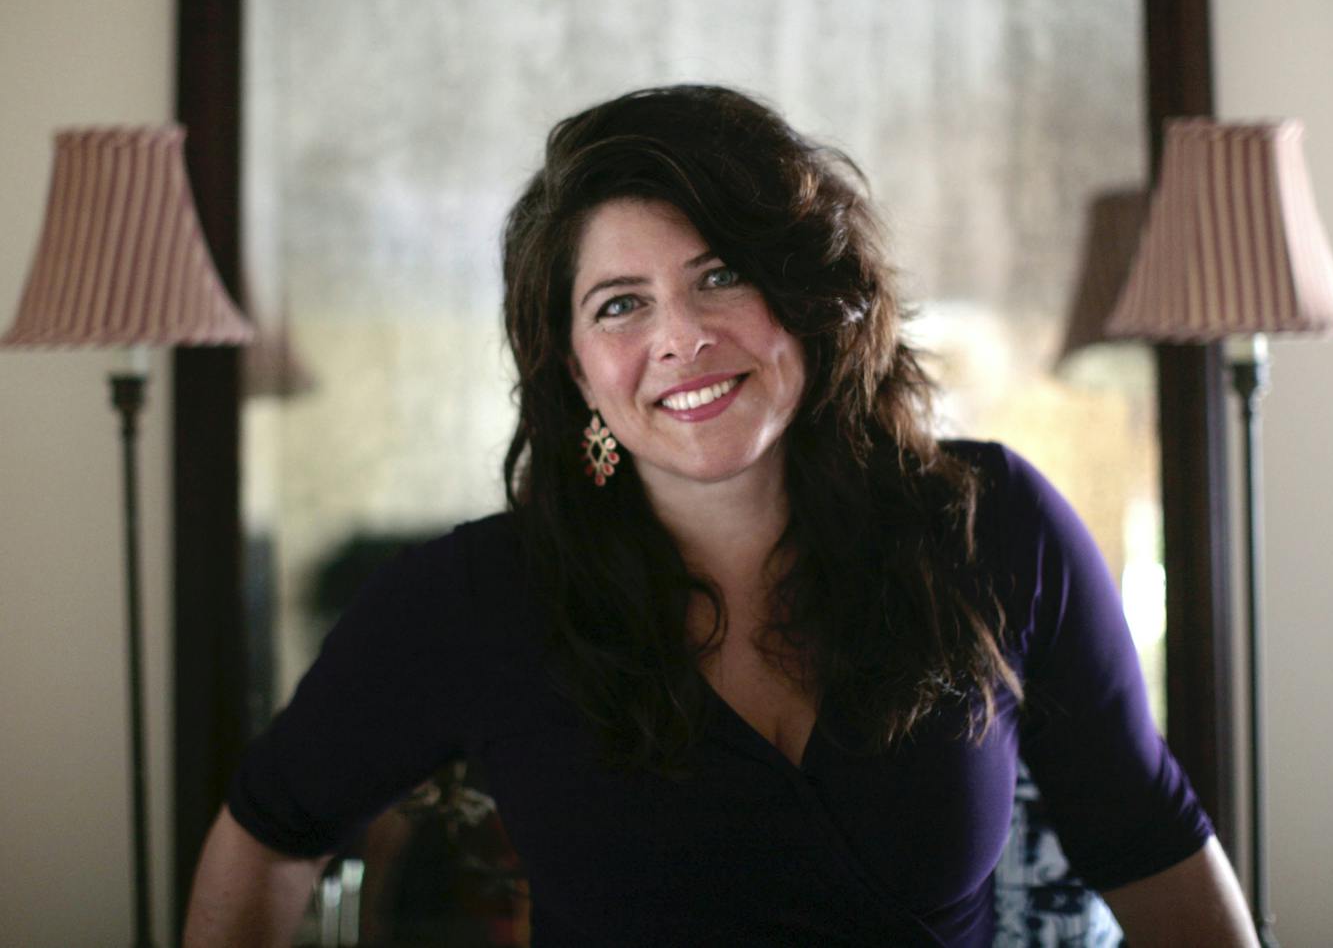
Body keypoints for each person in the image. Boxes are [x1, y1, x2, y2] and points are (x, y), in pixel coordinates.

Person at [184, 84, 1257, 946]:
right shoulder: (475, 594)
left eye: (719, 274)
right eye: (620, 303)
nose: (680, 335)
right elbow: (271, 828)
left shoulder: (990, 524)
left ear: (805, 294)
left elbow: (1149, 841)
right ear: (574, 366)